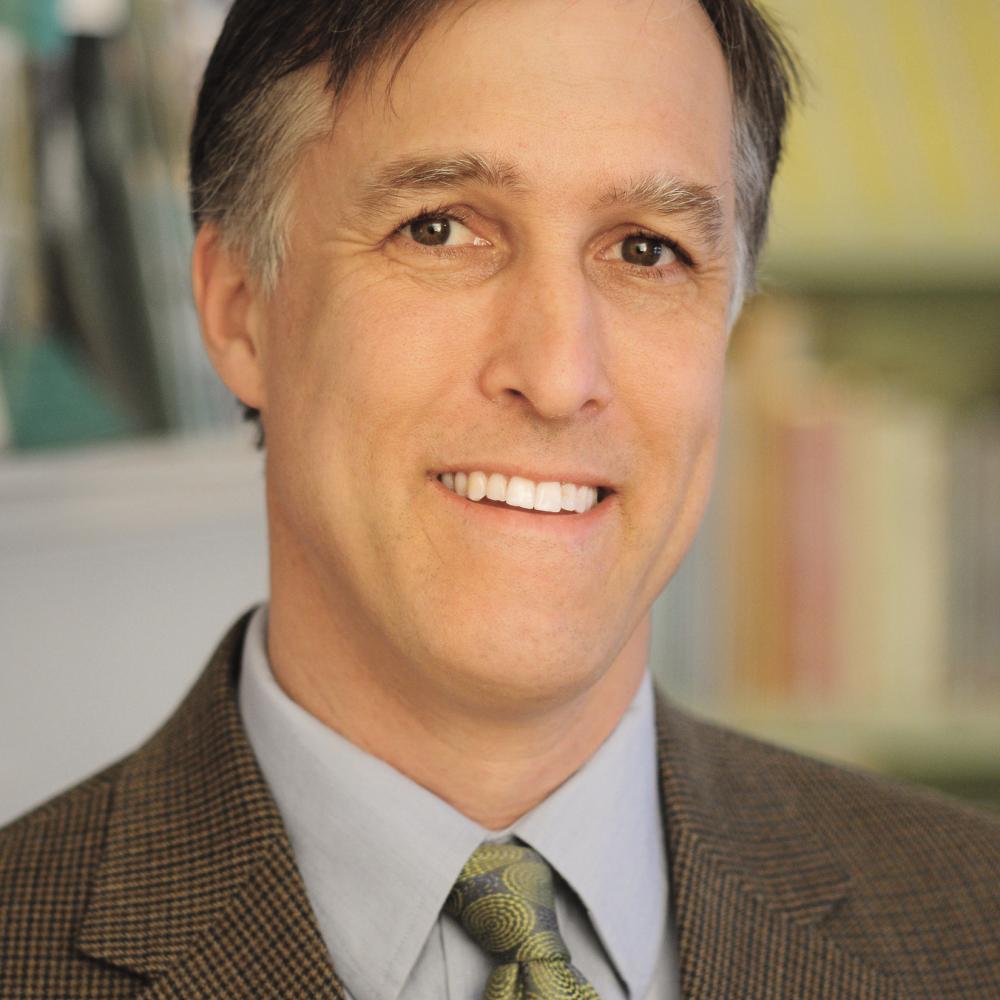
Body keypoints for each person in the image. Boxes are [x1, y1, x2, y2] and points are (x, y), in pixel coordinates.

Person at [2, 0, 999, 997]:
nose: (560, 373)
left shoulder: (974, 925)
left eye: (647, 250)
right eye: (438, 230)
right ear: (239, 311)